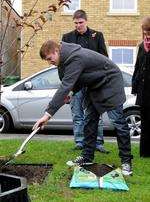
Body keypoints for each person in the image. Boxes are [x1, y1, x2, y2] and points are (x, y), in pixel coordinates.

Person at [33, 40, 133, 176]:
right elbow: (77, 80)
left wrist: (47, 114)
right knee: (90, 121)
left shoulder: (75, 58)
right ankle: (87, 157)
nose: (49, 62)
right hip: (95, 85)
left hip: (110, 82)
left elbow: (65, 86)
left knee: (118, 122)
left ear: (57, 51)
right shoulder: (63, 62)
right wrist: (71, 93)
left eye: (50, 58)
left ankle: (126, 161)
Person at [62, 9, 109, 153]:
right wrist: (66, 85)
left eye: (80, 22)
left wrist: (103, 79)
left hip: (94, 83)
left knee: (95, 114)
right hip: (76, 83)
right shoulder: (67, 37)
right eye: (75, 23)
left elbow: (104, 59)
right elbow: (62, 62)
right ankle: (80, 142)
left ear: (86, 21)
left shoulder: (97, 36)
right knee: (77, 113)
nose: (78, 25)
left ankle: (98, 143)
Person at [132, 16, 150, 157]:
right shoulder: (141, 46)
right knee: (145, 121)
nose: (146, 34)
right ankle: (144, 152)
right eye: (144, 31)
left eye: (149, 31)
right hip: (143, 92)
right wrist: (135, 87)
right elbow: (137, 67)